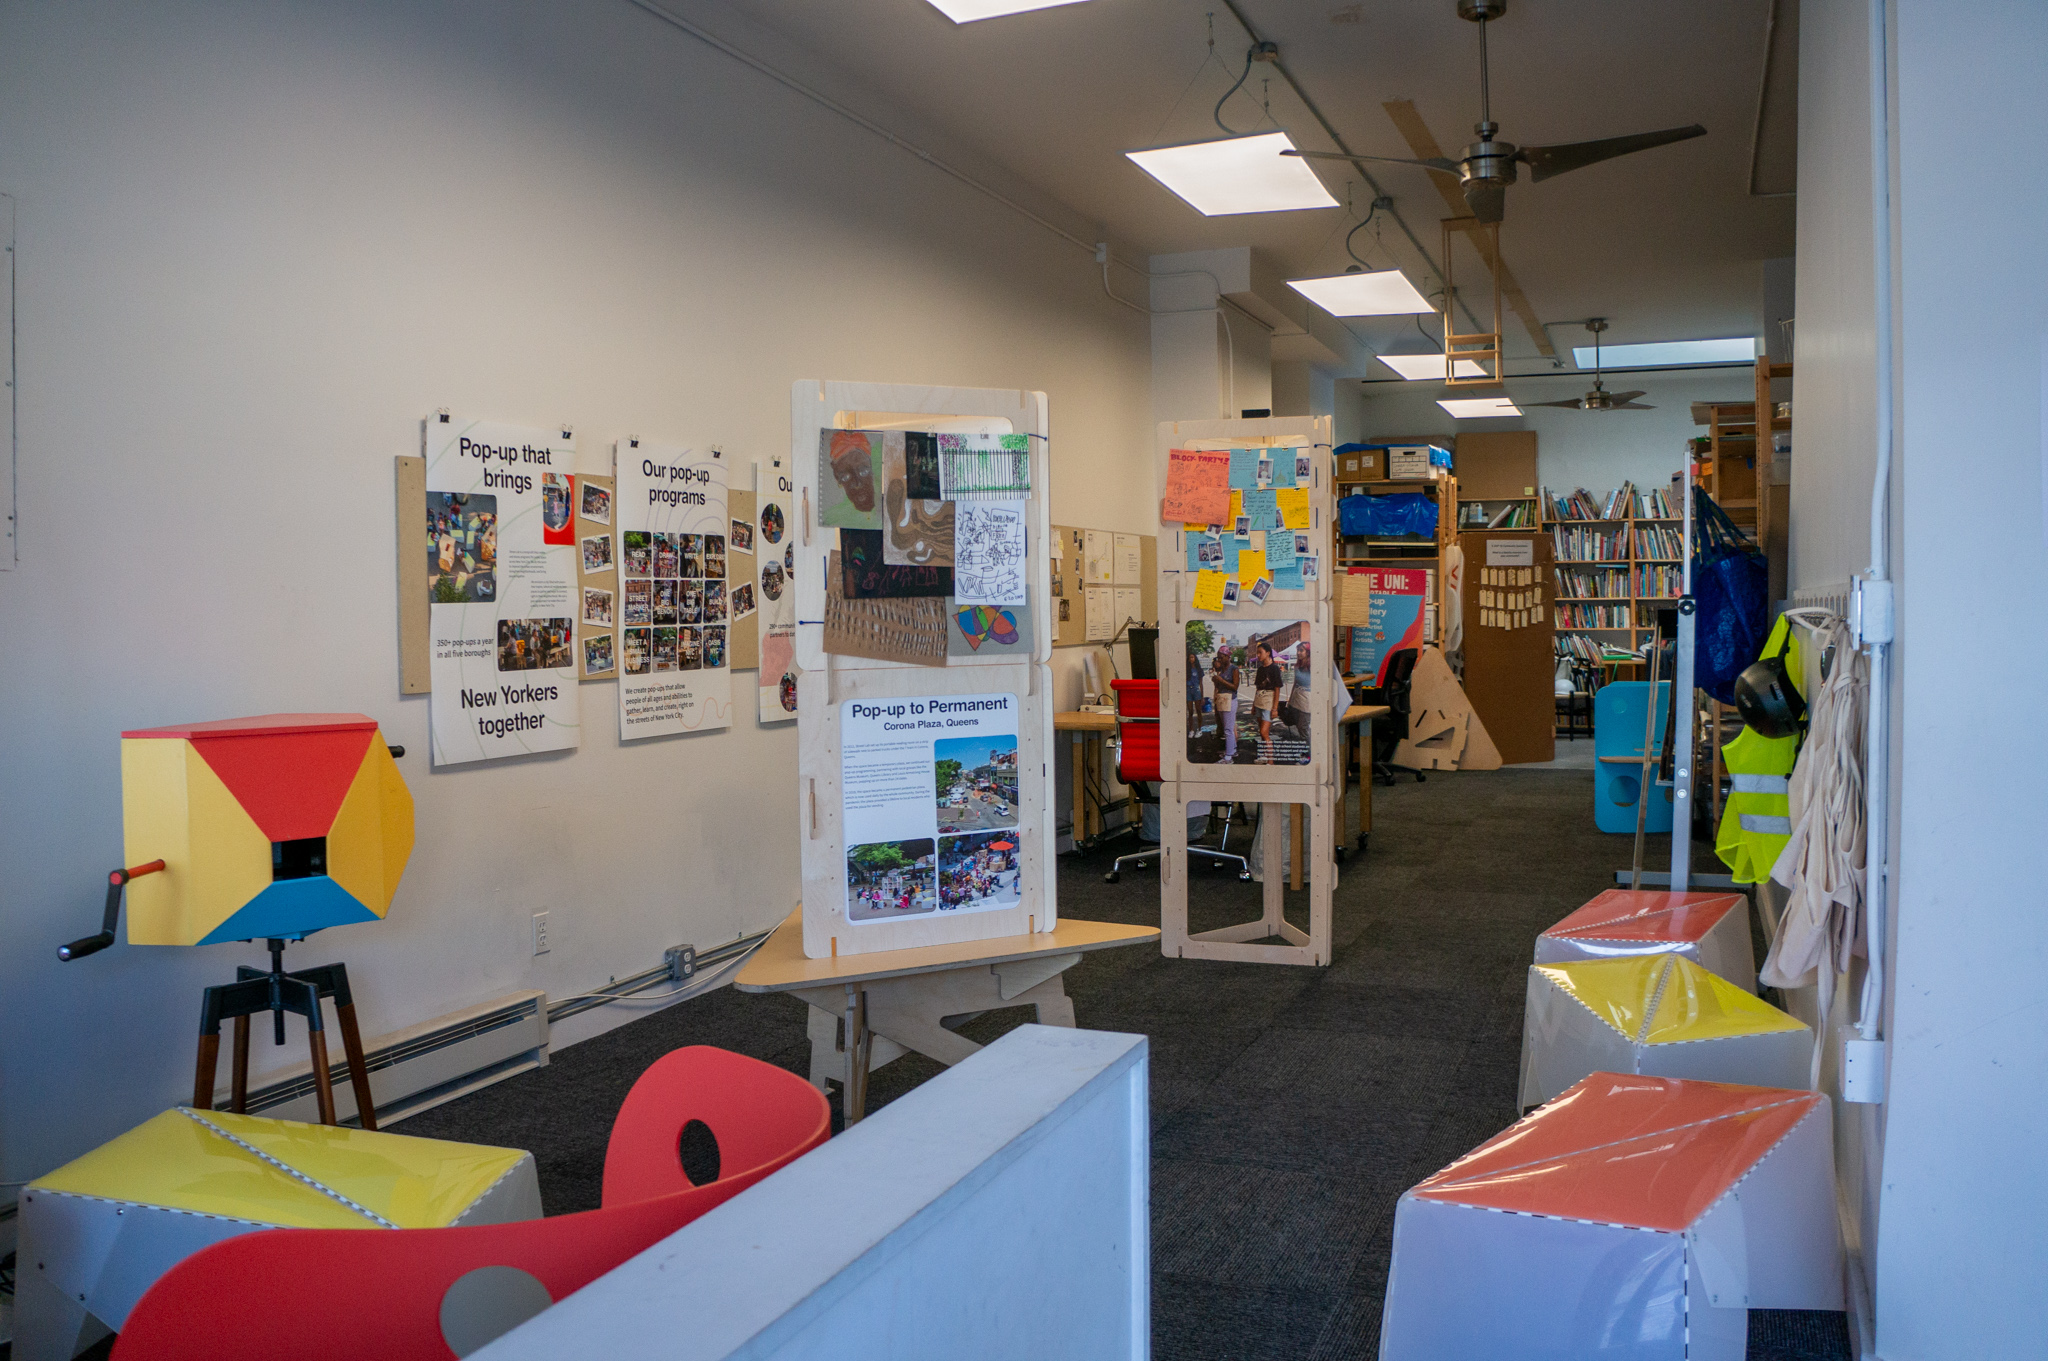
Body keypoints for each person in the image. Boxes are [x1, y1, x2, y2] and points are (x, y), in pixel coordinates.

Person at [1251, 641, 1284, 763]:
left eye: (1260, 652)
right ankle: (1265, 754)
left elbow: (1277, 689)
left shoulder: (1275, 668)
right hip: (1259, 701)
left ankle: (1271, 760)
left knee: (1264, 732)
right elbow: (1257, 688)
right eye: (1257, 653)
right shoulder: (1260, 669)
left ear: (1268, 653)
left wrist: (1275, 708)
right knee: (1261, 731)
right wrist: (1253, 705)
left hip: (1269, 702)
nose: (1258, 655)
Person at [1209, 643, 1240, 762]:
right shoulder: (1222, 670)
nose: (1219, 660)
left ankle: (1229, 756)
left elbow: (1235, 687)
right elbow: (1219, 685)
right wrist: (1216, 681)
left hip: (1230, 699)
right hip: (1222, 700)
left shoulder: (1234, 669)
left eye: (1221, 657)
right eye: (1218, 657)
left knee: (1228, 729)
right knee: (1226, 728)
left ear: (1227, 656)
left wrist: (1220, 680)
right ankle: (1232, 749)